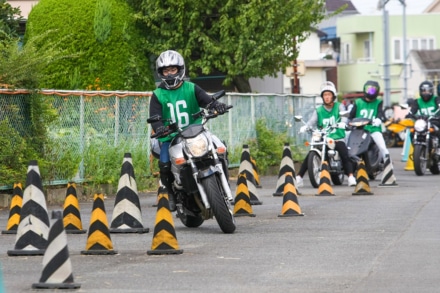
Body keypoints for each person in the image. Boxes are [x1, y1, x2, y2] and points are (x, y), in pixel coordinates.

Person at [149, 50, 228, 211]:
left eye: (173, 70)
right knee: (164, 164)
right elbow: (154, 117)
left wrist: (217, 106)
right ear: (161, 73)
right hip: (171, 137)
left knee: (220, 149)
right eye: (166, 71)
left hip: (197, 131)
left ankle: (223, 183)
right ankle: (170, 193)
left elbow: (207, 102)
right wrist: (160, 128)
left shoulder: (191, 88)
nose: (170, 74)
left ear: (180, 69)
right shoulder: (157, 95)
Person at [296, 81, 357, 187]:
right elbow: (312, 121)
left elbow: (344, 117)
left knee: (344, 153)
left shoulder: (339, 107)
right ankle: (299, 177)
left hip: (337, 137)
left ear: (333, 96)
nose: (327, 97)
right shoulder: (319, 110)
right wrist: (306, 126)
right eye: (325, 95)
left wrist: (343, 123)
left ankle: (351, 176)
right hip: (323, 138)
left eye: (329, 95)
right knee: (311, 153)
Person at [348, 80, 391, 162]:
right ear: (364, 89)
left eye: (373, 90)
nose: (371, 92)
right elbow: (351, 116)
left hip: (373, 129)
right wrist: (348, 122)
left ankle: (389, 168)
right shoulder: (358, 102)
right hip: (358, 130)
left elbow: (380, 112)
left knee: (382, 147)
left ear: (377, 91)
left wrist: (378, 119)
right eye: (369, 89)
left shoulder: (378, 102)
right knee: (348, 145)